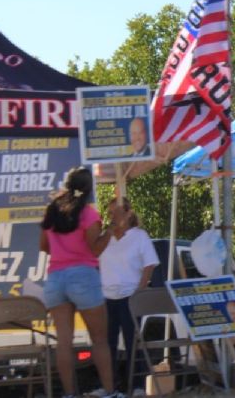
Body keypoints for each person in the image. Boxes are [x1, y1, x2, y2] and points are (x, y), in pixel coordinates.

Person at [39, 167, 123, 398]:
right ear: (89, 189)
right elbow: (95, 249)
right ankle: (109, 392)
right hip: (83, 276)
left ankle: (69, 394)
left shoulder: (52, 211)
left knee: (64, 342)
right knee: (99, 340)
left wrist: (62, 251)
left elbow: (43, 246)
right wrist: (113, 228)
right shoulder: (88, 214)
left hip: (56, 278)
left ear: (67, 185)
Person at [95, 197, 158, 397]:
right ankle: (108, 386)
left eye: (117, 212)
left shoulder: (140, 236)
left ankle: (137, 386)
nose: (113, 217)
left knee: (133, 342)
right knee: (107, 343)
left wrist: (140, 290)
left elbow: (149, 265)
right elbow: (93, 258)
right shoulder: (105, 237)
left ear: (128, 214)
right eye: (110, 213)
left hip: (130, 296)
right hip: (107, 296)